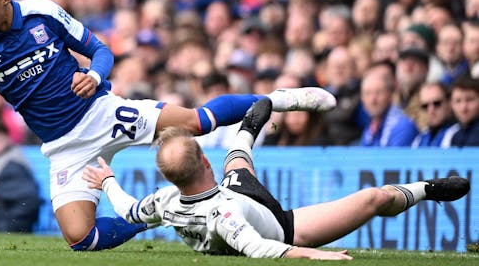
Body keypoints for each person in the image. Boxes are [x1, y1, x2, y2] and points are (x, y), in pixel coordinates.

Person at [0, 0, 337, 251]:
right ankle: (157, 214)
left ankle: (280, 99)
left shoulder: (43, 13)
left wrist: (95, 75)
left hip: (101, 113)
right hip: (63, 147)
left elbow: (101, 49)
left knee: (194, 121)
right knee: (81, 239)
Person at [82, 99, 470, 260]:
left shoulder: (164, 202)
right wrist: (322, 255)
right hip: (284, 228)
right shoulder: (224, 219)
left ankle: (249, 129)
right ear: (202, 157)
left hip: (236, 194)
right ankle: (426, 190)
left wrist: (108, 180)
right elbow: (264, 250)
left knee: (238, 165)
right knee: (372, 198)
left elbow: (130, 210)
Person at [360, 62, 419, 147]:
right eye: (367, 93)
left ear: (390, 95)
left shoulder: (402, 126)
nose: (373, 100)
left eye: (378, 93)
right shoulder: (370, 127)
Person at [412, 81, 458, 148]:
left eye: (437, 103)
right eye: (425, 106)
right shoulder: (419, 140)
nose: (431, 110)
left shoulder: (458, 135)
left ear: (449, 103)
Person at [450, 75, 479, 146]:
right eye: (458, 101)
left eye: (469, 100)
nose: (463, 107)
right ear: (451, 104)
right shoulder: (455, 136)